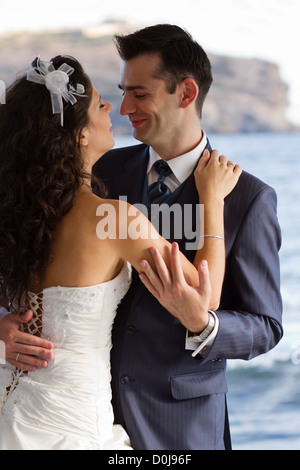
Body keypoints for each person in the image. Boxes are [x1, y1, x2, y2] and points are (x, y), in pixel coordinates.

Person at [0, 55, 240, 450]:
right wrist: (212, 200)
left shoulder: (18, 213)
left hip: (14, 407)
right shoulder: (111, 217)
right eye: (99, 104)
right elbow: (204, 294)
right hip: (72, 424)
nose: (113, 107)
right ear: (78, 134)